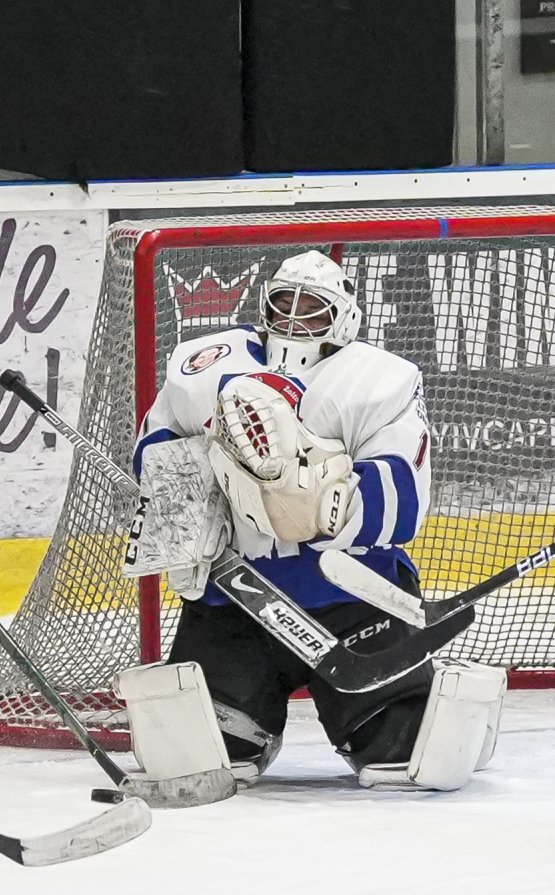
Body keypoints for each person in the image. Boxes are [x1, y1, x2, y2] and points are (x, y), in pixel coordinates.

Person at [116, 250, 504, 792]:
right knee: (204, 756)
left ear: (344, 317)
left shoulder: (381, 380)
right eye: (284, 303)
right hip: (234, 602)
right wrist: (186, 506)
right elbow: (156, 449)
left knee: (405, 753)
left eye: (312, 308)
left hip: (350, 603)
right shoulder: (203, 367)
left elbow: (403, 498)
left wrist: (320, 504)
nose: (295, 318)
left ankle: (423, 712)